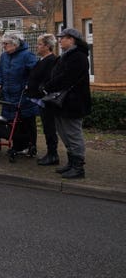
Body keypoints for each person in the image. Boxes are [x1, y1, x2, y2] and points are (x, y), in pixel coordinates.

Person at [43, 28, 91, 179]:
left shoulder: (78, 57)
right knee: (64, 133)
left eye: (63, 37)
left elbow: (66, 77)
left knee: (73, 134)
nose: (60, 40)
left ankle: (78, 167)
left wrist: (48, 86)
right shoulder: (67, 56)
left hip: (73, 103)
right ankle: (71, 163)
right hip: (63, 103)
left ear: (72, 40)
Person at [0, 32, 39, 158]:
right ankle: (17, 146)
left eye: (6, 43)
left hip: (22, 95)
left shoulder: (27, 55)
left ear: (15, 44)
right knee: (11, 121)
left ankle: (30, 146)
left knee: (26, 121)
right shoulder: (4, 56)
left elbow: (35, 72)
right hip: (8, 94)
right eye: (3, 43)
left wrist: (29, 84)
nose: (4, 46)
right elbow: (0, 71)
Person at [27, 34, 60, 166]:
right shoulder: (42, 59)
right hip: (39, 99)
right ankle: (51, 153)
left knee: (49, 127)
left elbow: (49, 80)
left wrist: (41, 89)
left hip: (46, 100)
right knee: (47, 127)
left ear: (47, 46)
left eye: (40, 44)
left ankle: (53, 154)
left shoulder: (52, 60)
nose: (37, 46)